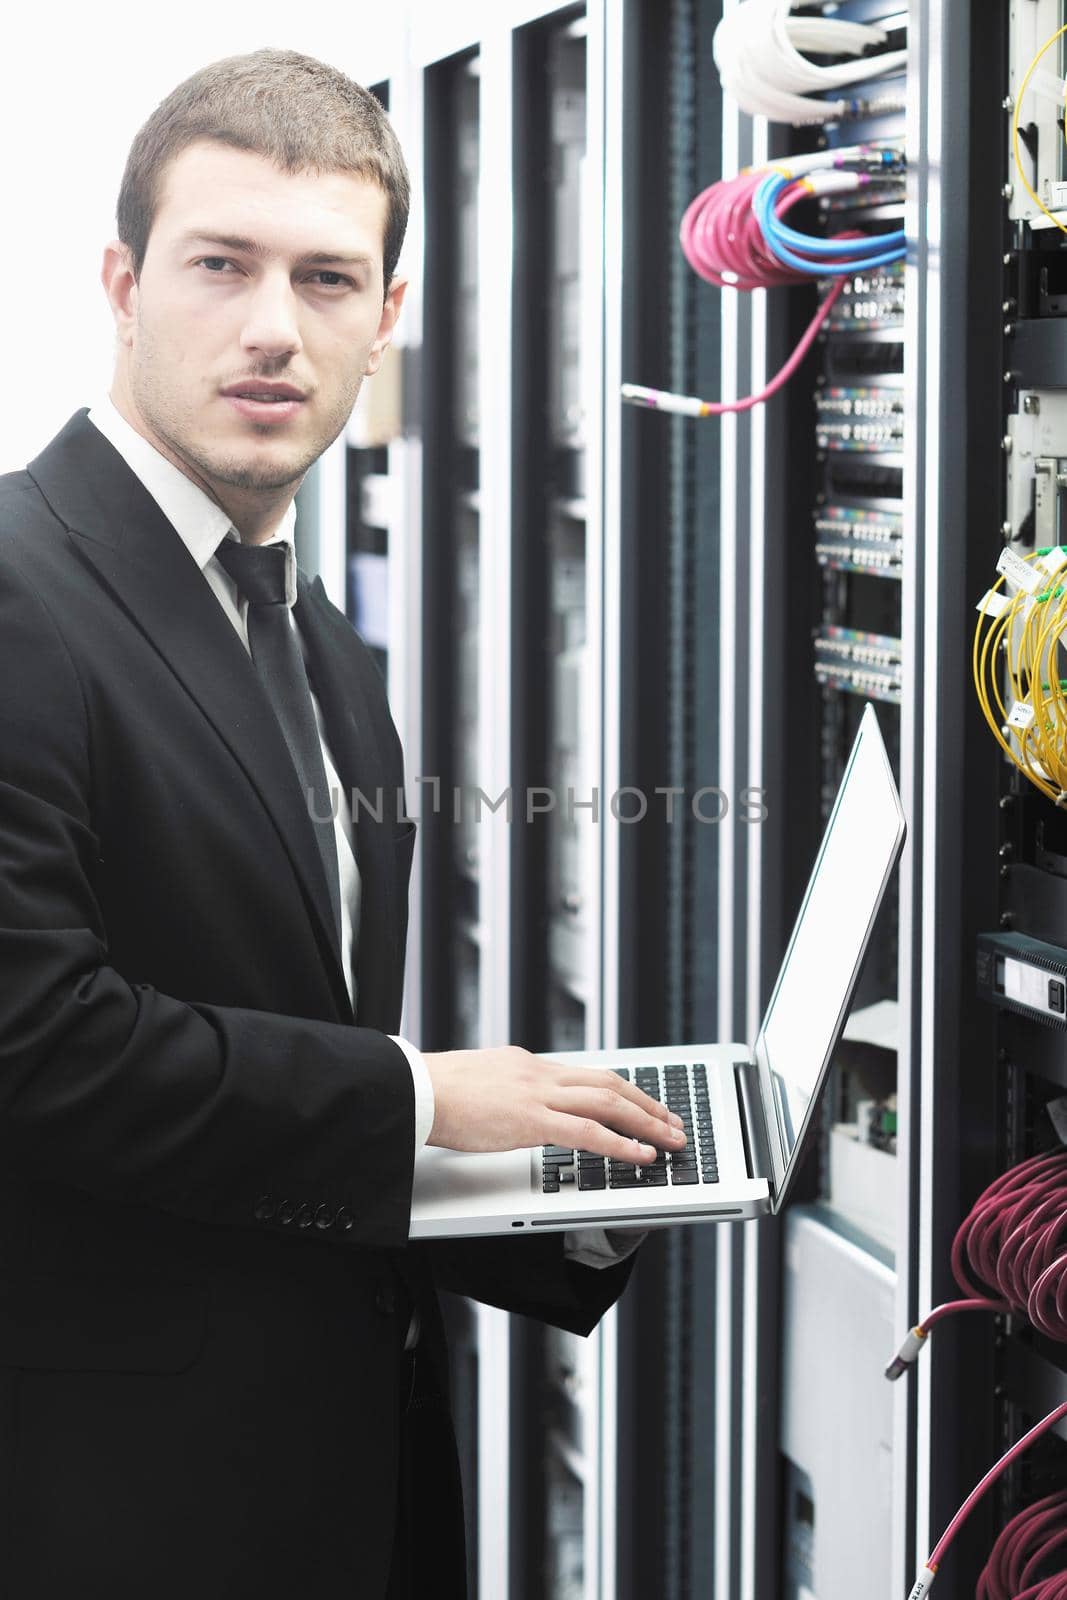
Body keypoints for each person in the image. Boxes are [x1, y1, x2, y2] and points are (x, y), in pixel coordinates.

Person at [0, 46, 687, 1600]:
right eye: (219, 265)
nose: (270, 328)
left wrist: (575, 1192)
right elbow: (32, 1044)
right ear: (121, 281)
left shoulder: (324, 650)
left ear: (386, 319)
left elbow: (287, 1071)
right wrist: (429, 1098)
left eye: (326, 279)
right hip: (102, 1516)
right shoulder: (19, 590)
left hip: (337, 1491)